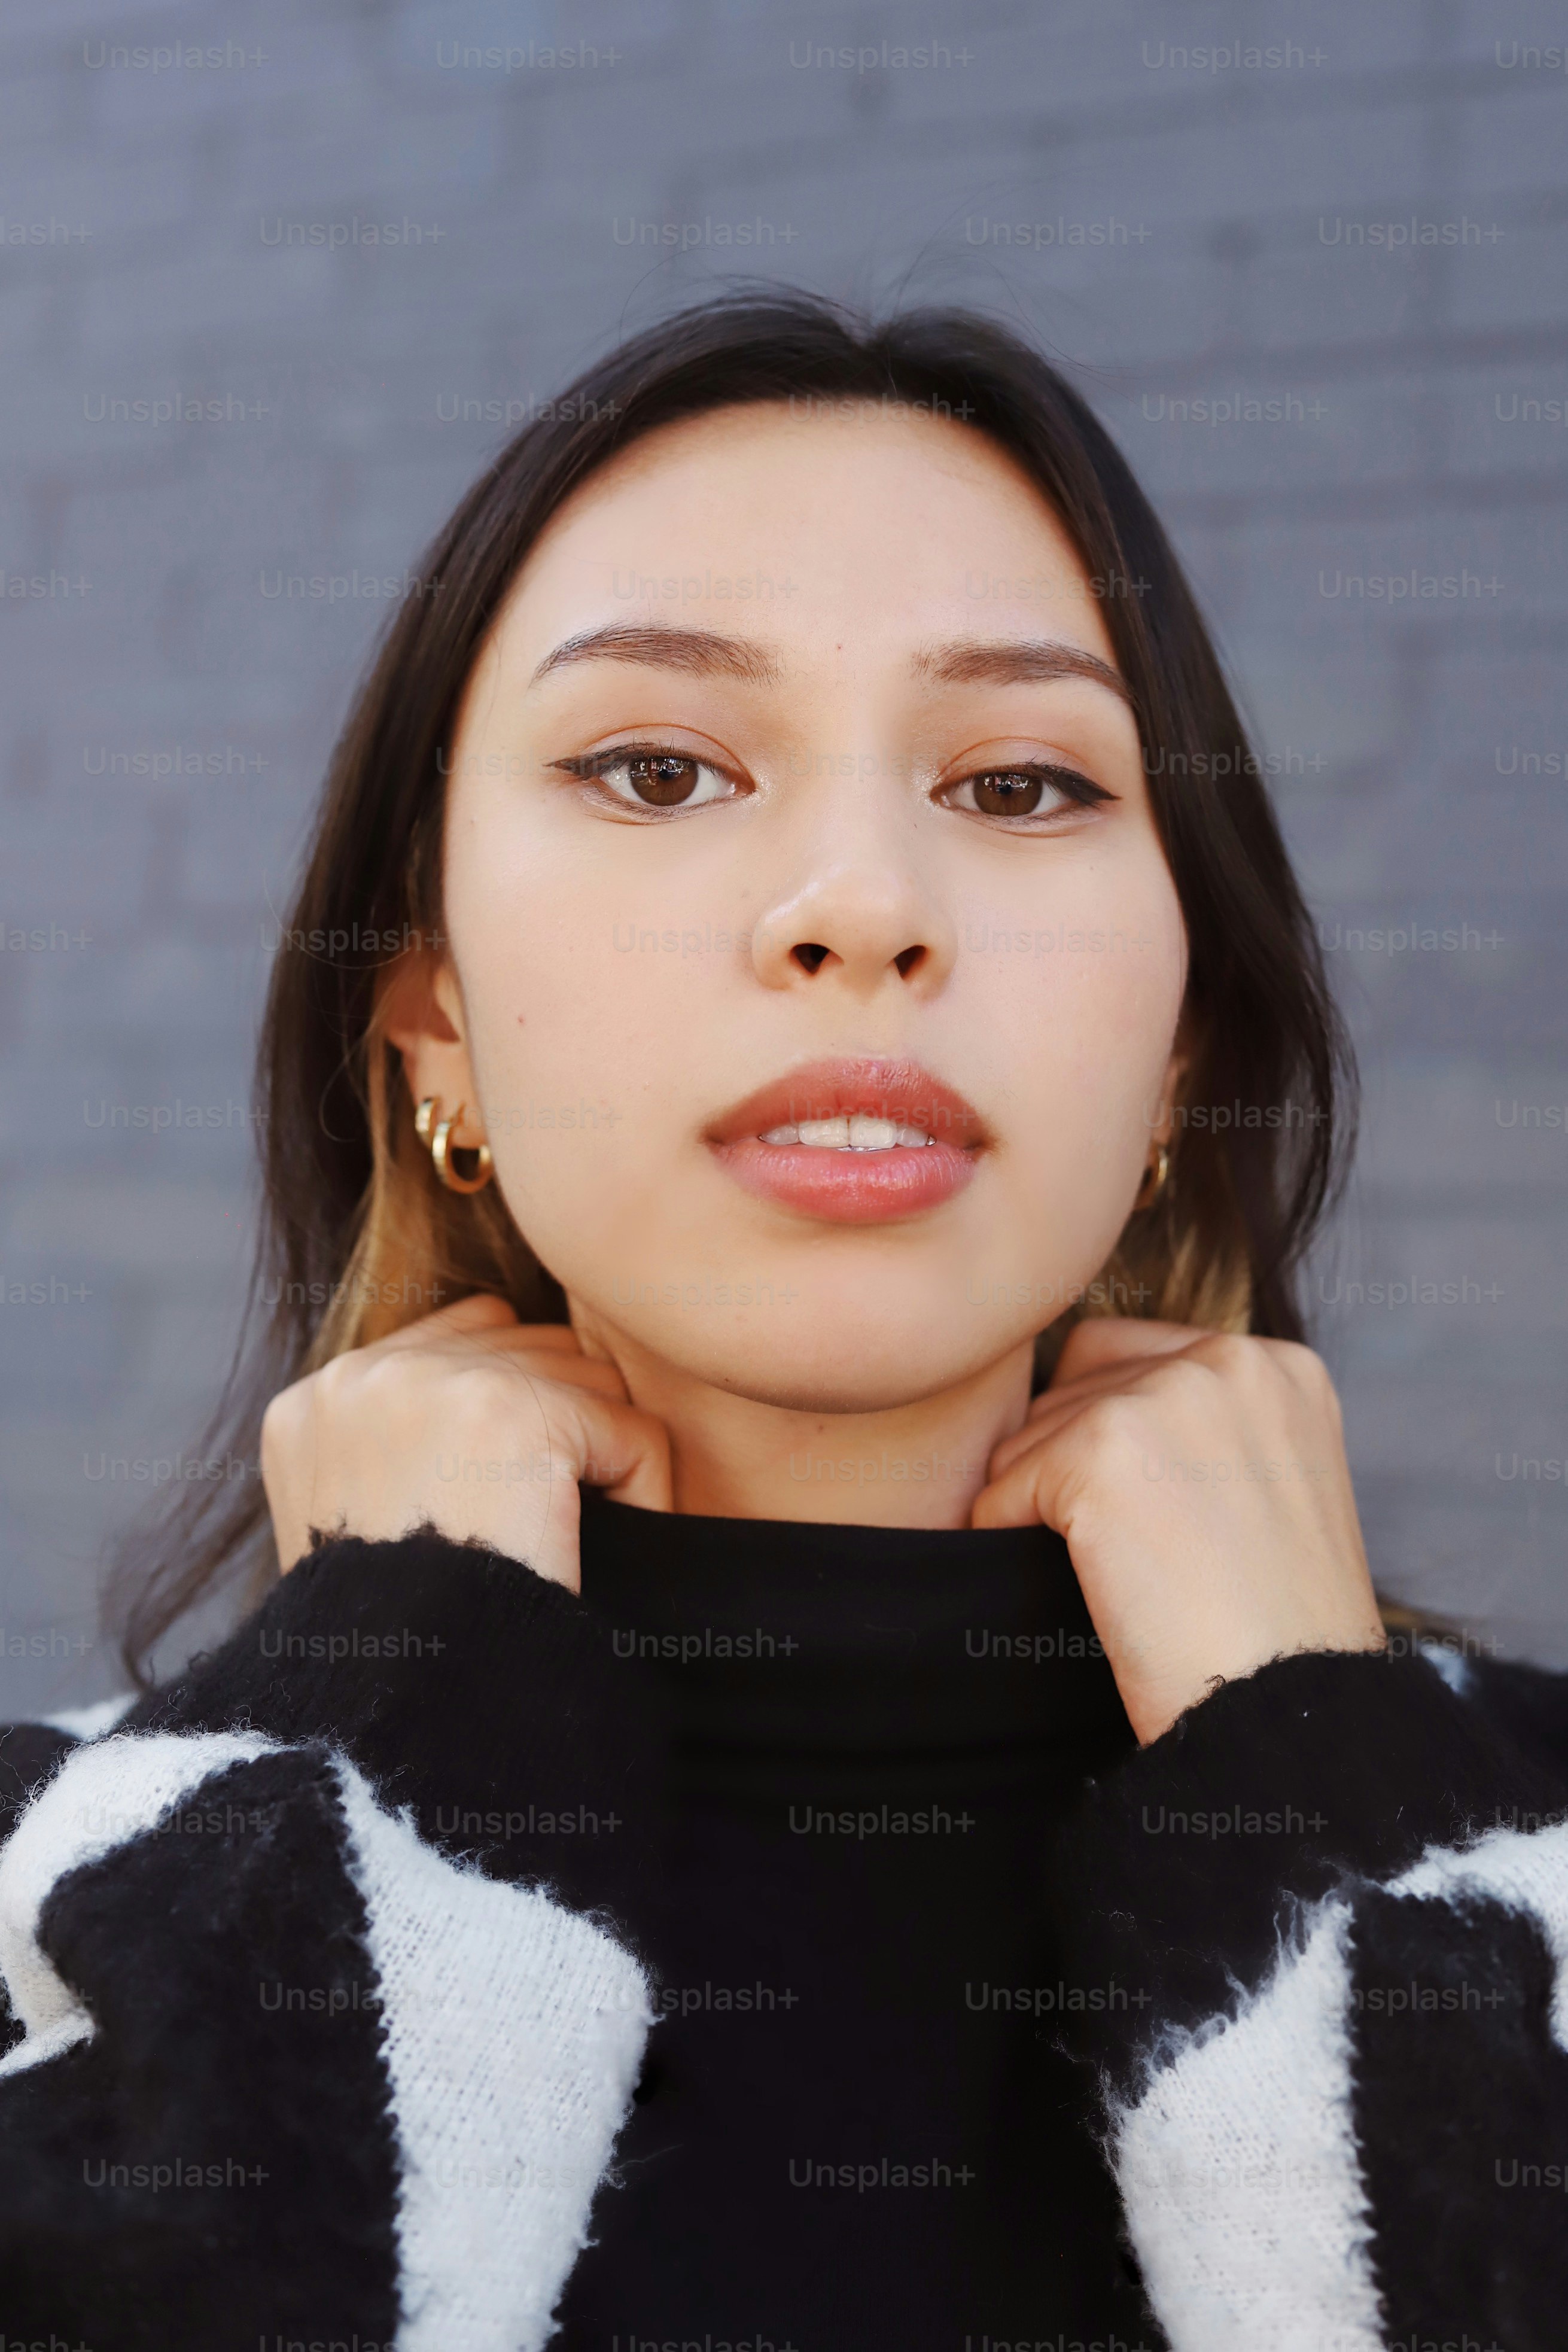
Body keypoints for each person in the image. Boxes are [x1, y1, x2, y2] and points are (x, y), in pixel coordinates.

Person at [1, 292, 1562, 2352]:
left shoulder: (1535, 1850)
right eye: (657, 766)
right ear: (433, 1019)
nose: (858, 899)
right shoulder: (52, 1872)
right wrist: (396, 1730)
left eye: (1017, 784)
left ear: (1185, 1050)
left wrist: (1308, 1776)